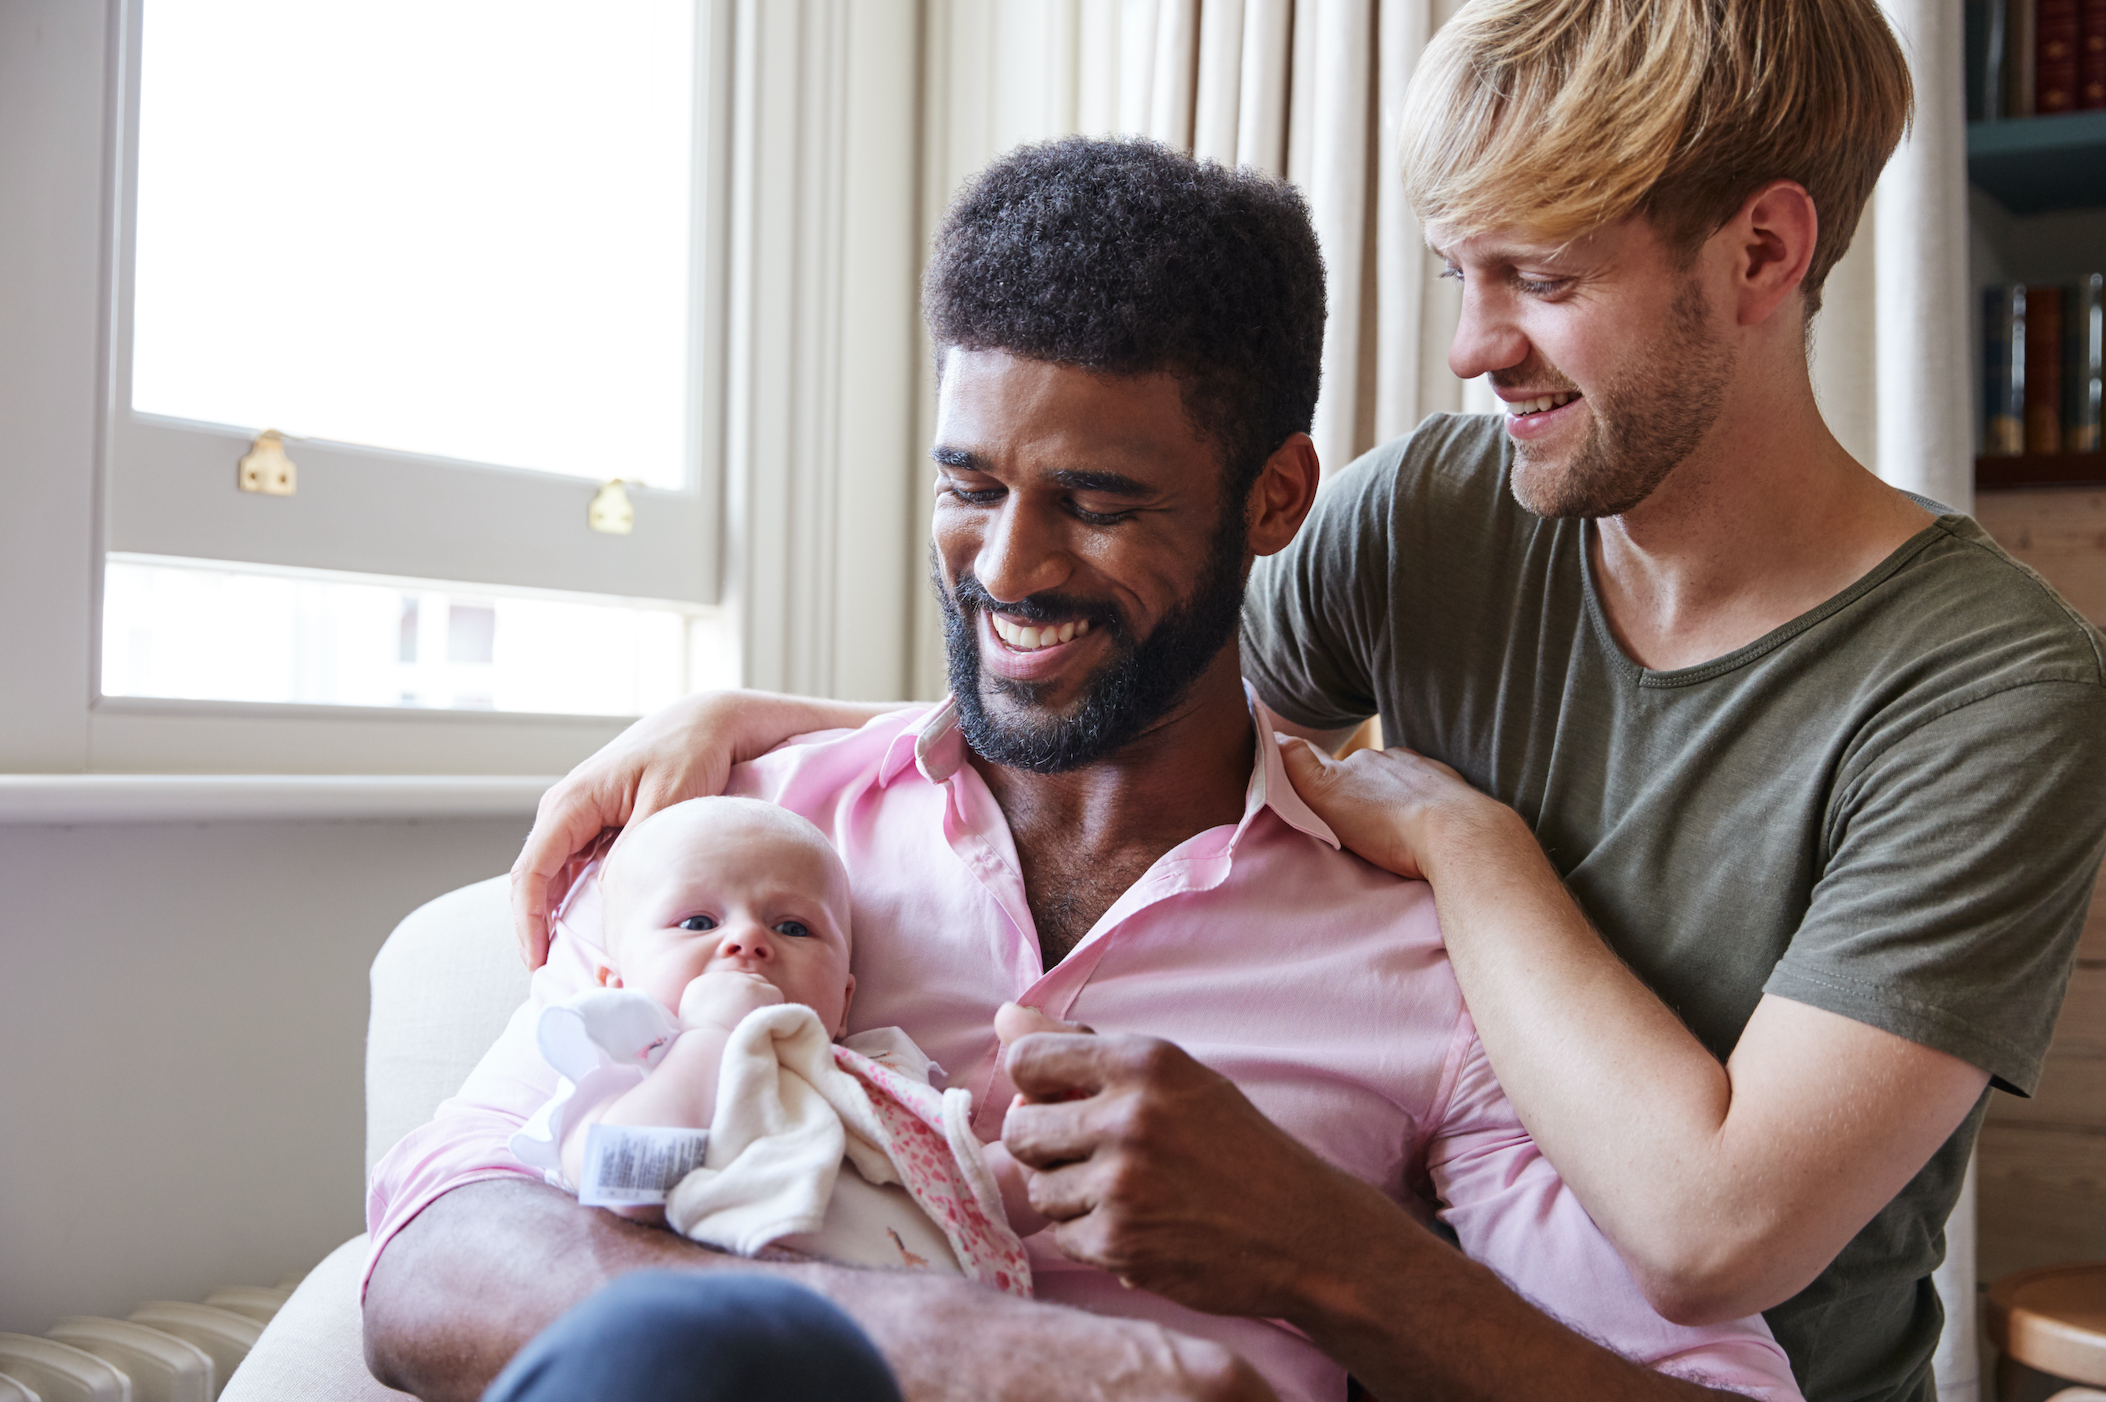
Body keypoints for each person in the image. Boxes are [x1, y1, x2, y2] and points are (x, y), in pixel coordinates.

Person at [504, 4, 2106, 1400]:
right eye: (1456, 272)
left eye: (1539, 276)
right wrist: (776, 719)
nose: (1476, 348)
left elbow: (1712, 1233)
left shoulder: (1983, 689)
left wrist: (1468, 847)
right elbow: (1148, 681)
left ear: (1761, 251)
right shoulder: (1443, 509)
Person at [365, 138, 1806, 1402]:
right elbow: (431, 1257)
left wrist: (1327, 1255)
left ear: (1274, 500)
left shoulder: (1421, 958)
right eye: (967, 487)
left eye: (1097, 505)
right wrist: (984, 1355)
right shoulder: (744, 834)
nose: (1007, 568)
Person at [507, 796, 1032, 1284]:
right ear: (616, 985)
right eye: (697, 922)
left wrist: (1035, 1160)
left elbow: (962, 1192)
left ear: (843, 1006)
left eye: (794, 928)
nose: (749, 940)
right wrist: (711, 1036)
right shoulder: (627, 1066)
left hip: (925, 1342)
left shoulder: (877, 1074)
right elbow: (626, 1185)